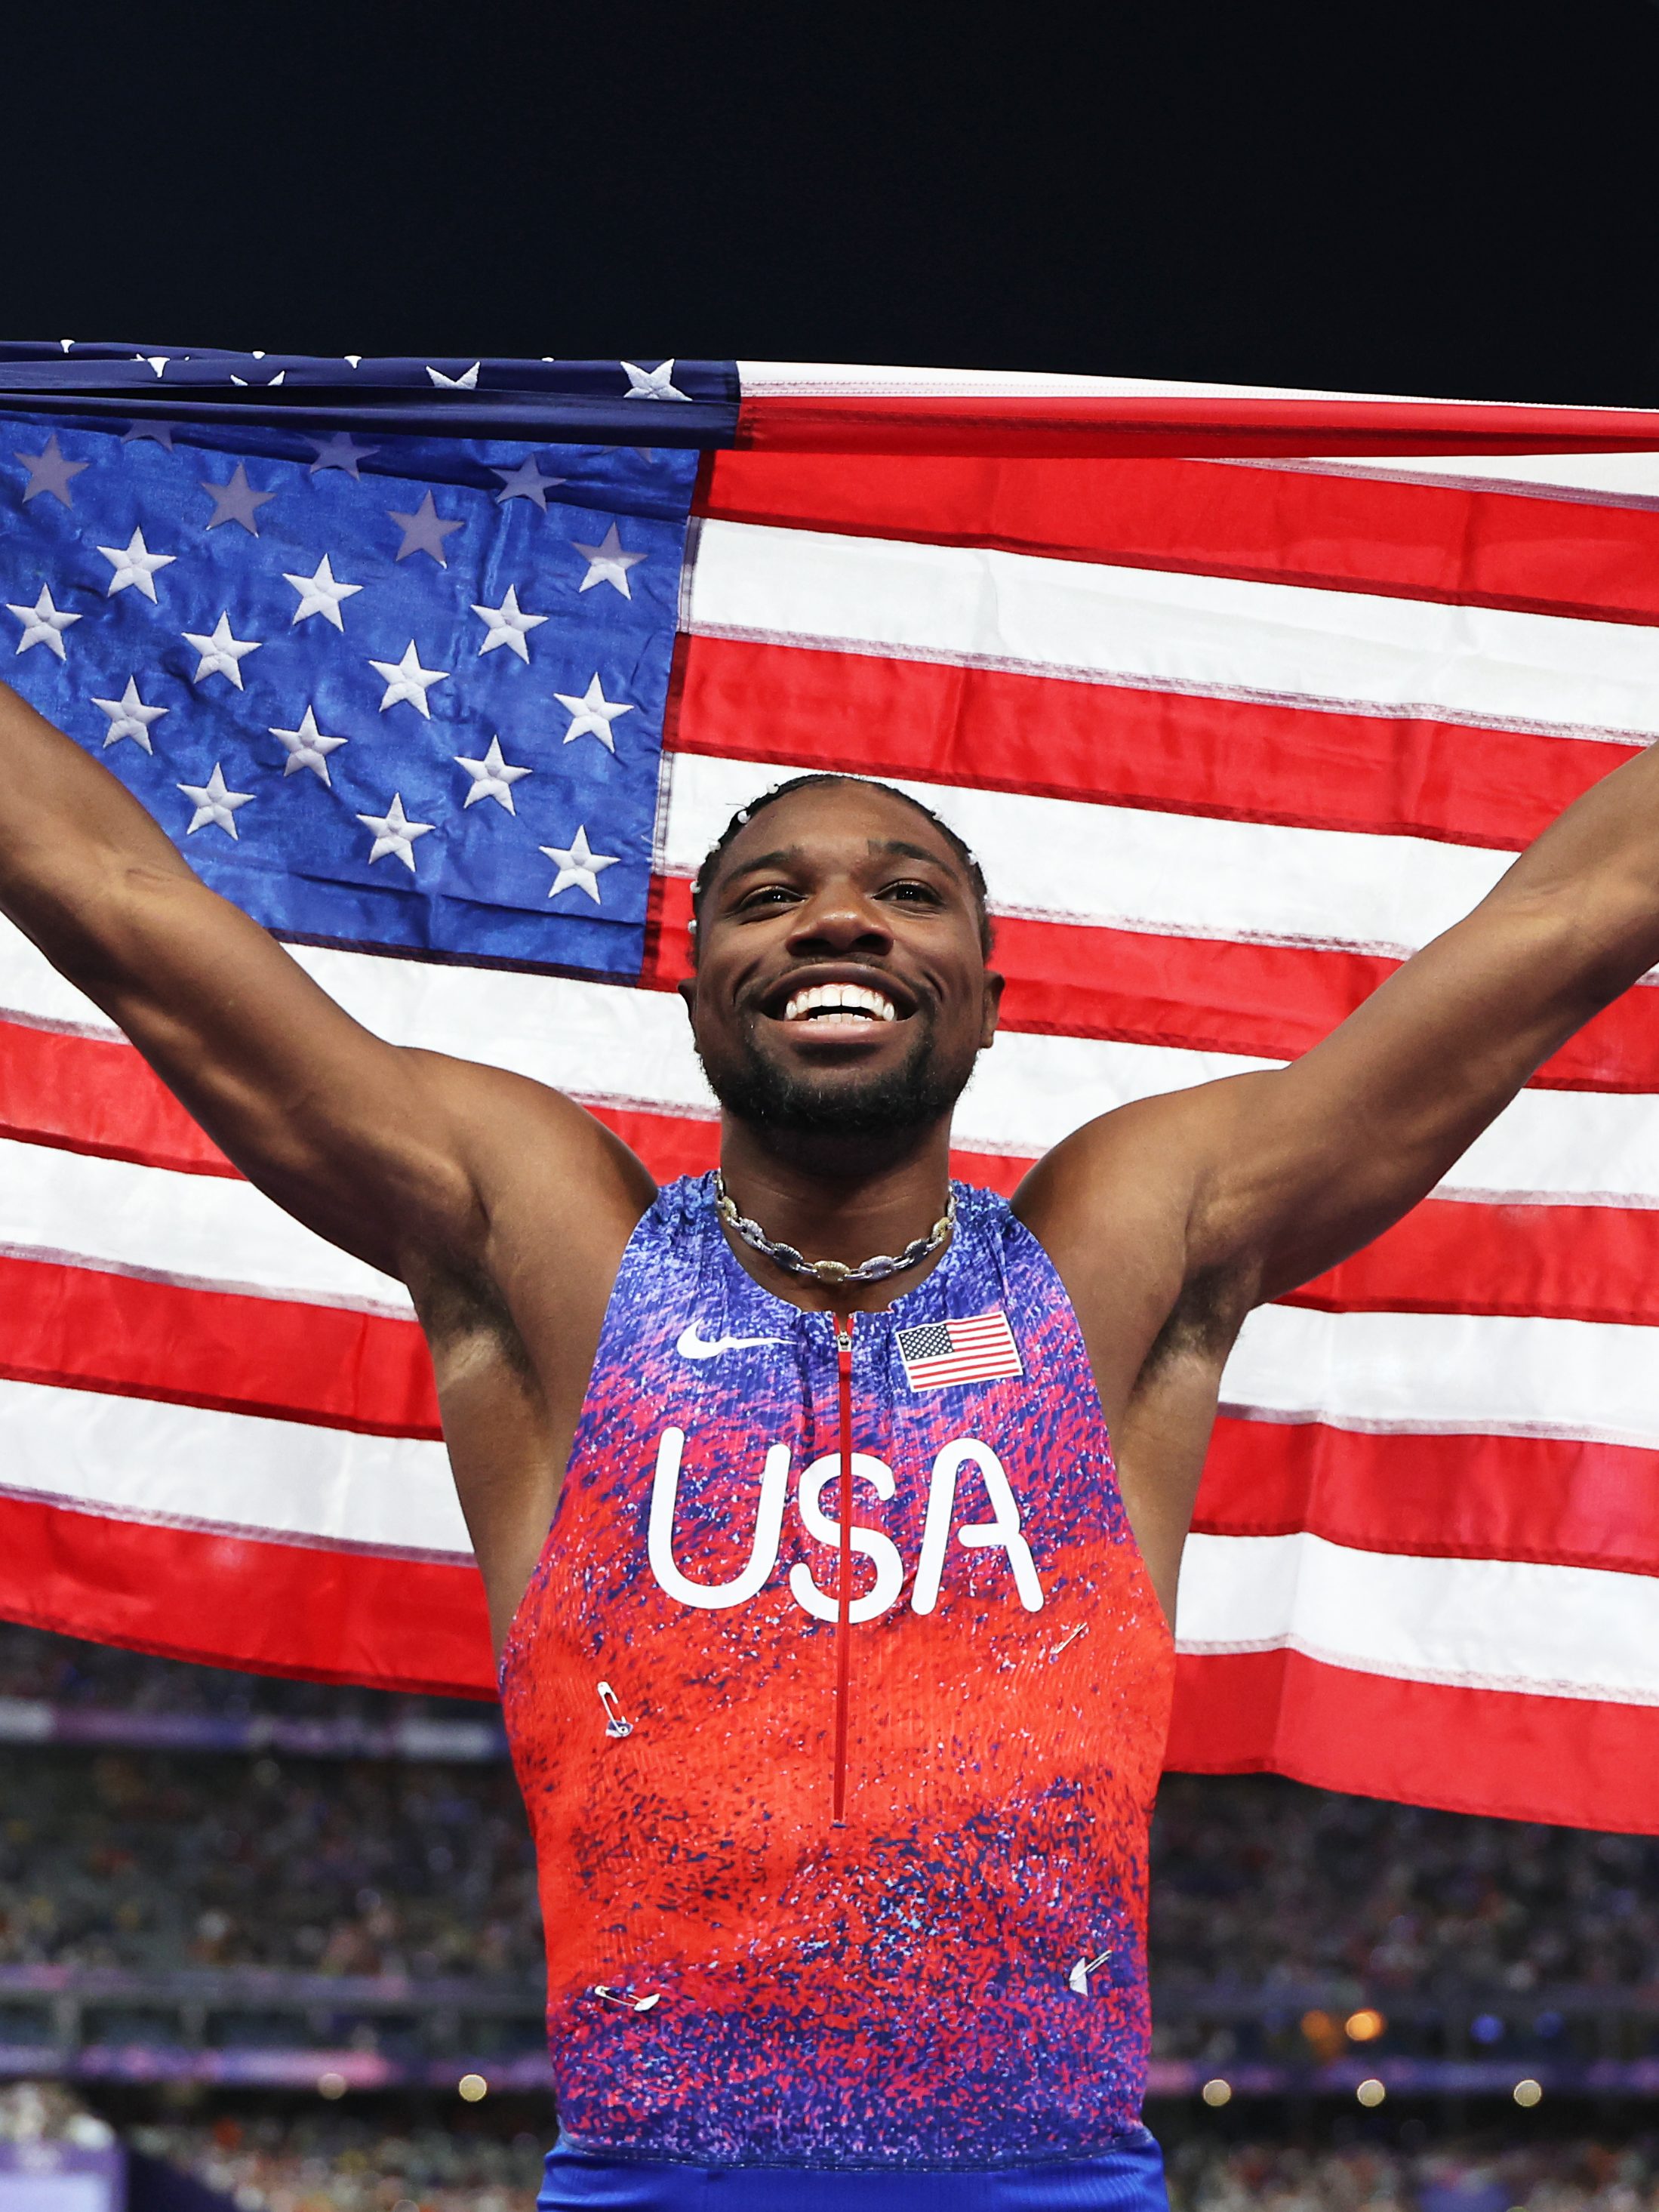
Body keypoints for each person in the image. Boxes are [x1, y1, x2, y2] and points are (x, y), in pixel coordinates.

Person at [0, 676, 1652, 2210]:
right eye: (770, 893)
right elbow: (122, 904)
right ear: (699, 983)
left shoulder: (1113, 1261)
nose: (839, 915)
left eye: (905, 890)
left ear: (990, 1001)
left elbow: (1562, 925)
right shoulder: (556, 1265)